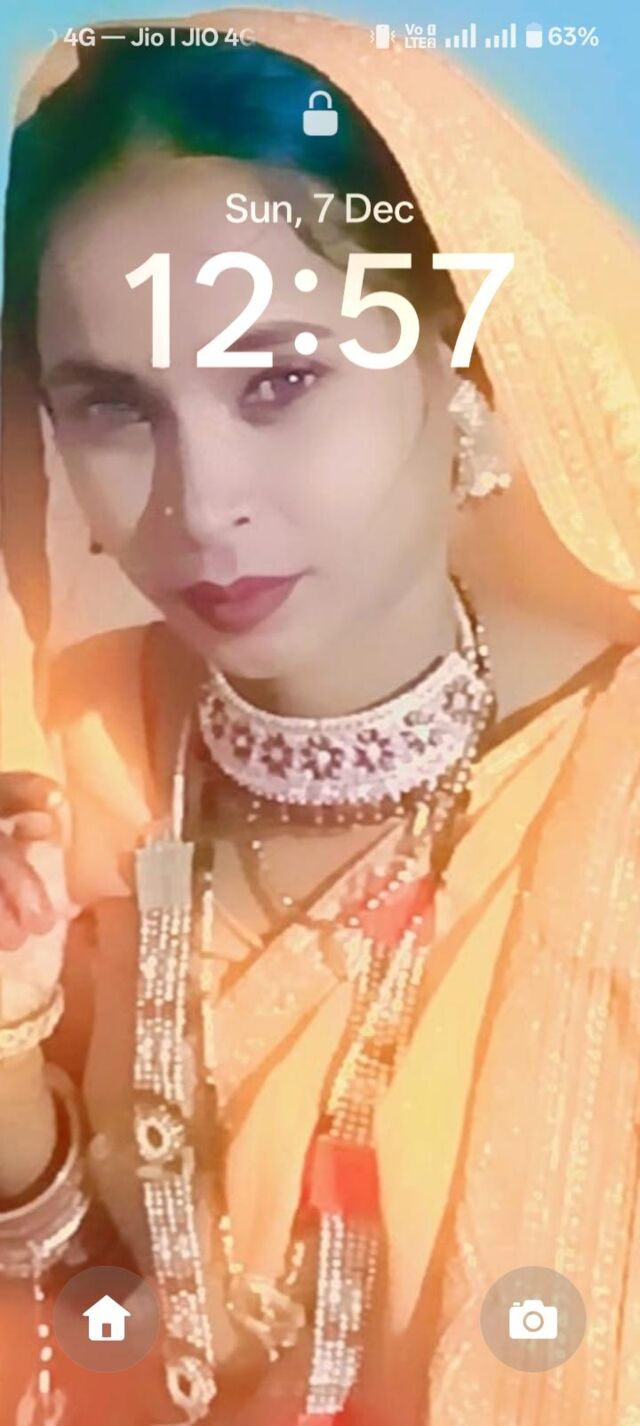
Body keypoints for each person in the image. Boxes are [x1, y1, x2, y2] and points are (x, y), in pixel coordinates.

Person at [0, 10, 639, 1425]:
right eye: (113, 408)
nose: (201, 502)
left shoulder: (611, 799)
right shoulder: (68, 773)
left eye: (280, 381)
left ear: (459, 364)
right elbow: (102, 1327)